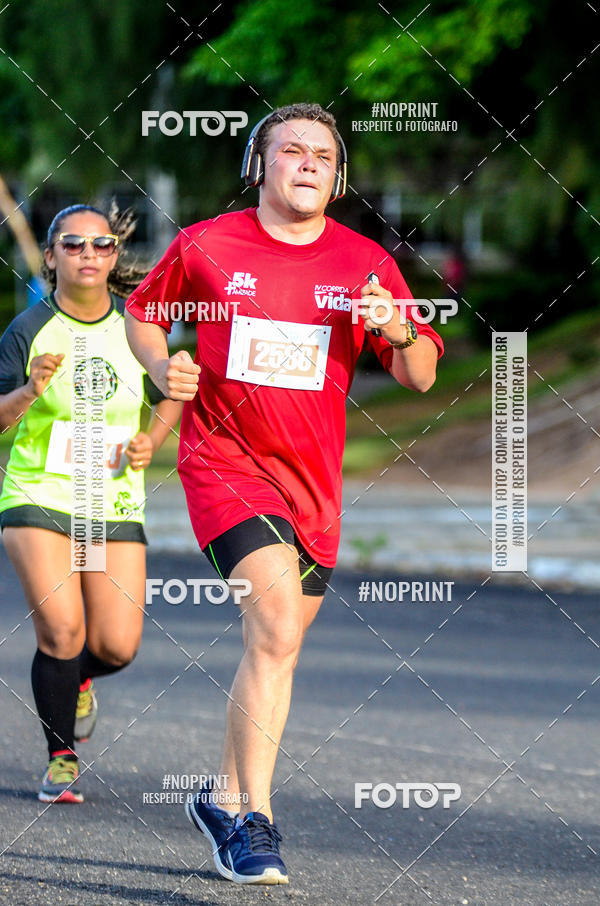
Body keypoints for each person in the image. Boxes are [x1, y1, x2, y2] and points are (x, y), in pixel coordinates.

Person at [125, 102, 444, 885]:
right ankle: (254, 825)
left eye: (323, 156)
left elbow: (422, 375)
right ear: (257, 166)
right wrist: (161, 366)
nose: (308, 163)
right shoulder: (207, 244)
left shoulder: (365, 262)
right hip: (224, 465)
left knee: (277, 647)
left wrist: (400, 329)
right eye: (292, 149)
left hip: (314, 487)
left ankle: (221, 797)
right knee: (273, 628)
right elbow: (145, 314)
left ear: (338, 179)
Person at [0, 203, 182, 803]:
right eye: (73, 244)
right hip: (40, 494)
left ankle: (75, 680)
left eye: (101, 244)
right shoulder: (28, 330)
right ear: (51, 257)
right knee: (62, 628)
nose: (88, 254)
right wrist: (29, 390)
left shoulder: (137, 327)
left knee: (114, 646)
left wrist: (152, 440)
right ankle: (61, 759)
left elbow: (170, 390)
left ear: (113, 255)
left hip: (112, 498)